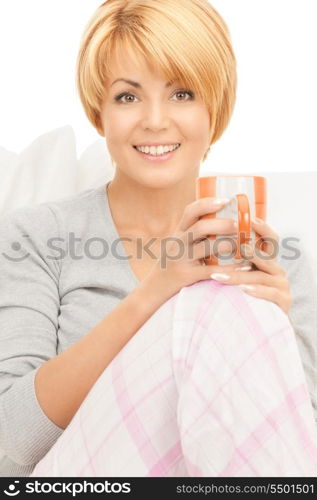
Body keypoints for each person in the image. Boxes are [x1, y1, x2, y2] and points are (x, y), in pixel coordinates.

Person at [1, 0, 317, 477]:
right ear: (99, 111)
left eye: (182, 93)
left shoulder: (278, 265)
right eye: (127, 97)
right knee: (215, 302)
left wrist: (271, 327)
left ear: (217, 106)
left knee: (232, 304)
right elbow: (14, 437)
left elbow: (295, 445)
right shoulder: (37, 237)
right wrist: (157, 293)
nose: (154, 120)